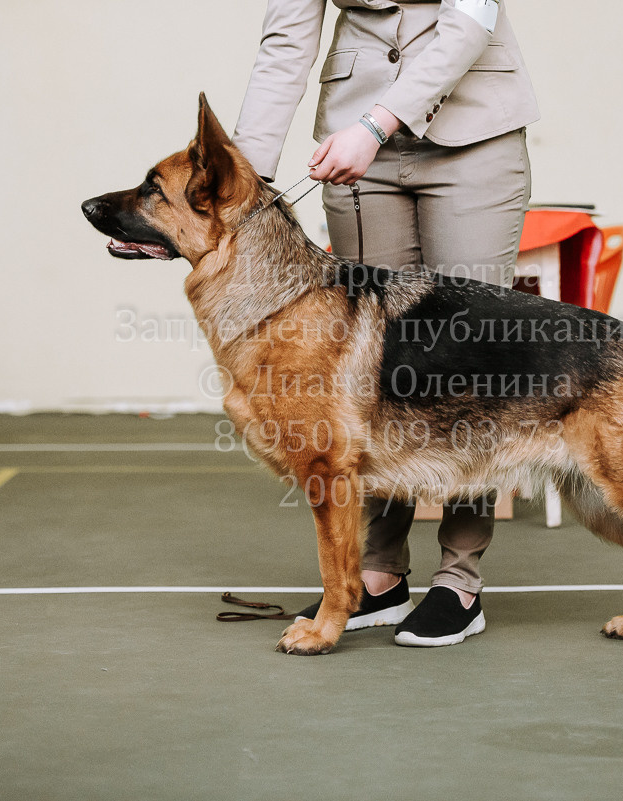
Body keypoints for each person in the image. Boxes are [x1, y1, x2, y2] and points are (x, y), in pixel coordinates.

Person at [232, 0, 539, 647]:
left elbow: (470, 18)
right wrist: (241, 184)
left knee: (469, 359)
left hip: (471, 130)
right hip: (355, 142)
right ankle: (379, 573)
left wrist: (377, 124)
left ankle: (459, 578)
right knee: (372, 369)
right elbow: (285, 44)